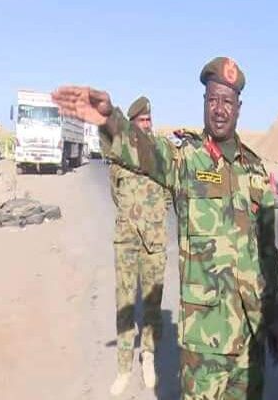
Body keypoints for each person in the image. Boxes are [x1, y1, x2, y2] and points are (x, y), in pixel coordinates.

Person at [51, 57, 278, 400]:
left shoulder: (256, 170)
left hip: (250, 338)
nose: (219, 109)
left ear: (239, 107)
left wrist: (275, 317)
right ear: (204, 103)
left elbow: (268, 251)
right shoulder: (186, 160)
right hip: (204, 342)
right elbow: (146, 151)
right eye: (213, 100)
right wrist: (110, 119)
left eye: (227, 101)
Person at [107, 96, 169, 395]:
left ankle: (148, 357)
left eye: (149, 120)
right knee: (125, 303)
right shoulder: (119, 157)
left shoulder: (160, 153)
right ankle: (123, 367)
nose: (146, 125)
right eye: (141, 121)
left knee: (152, 303)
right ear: (132, 125)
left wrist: (152, 216)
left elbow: (168, 193)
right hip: (127, 239)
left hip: (154, 240)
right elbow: (115, 192)